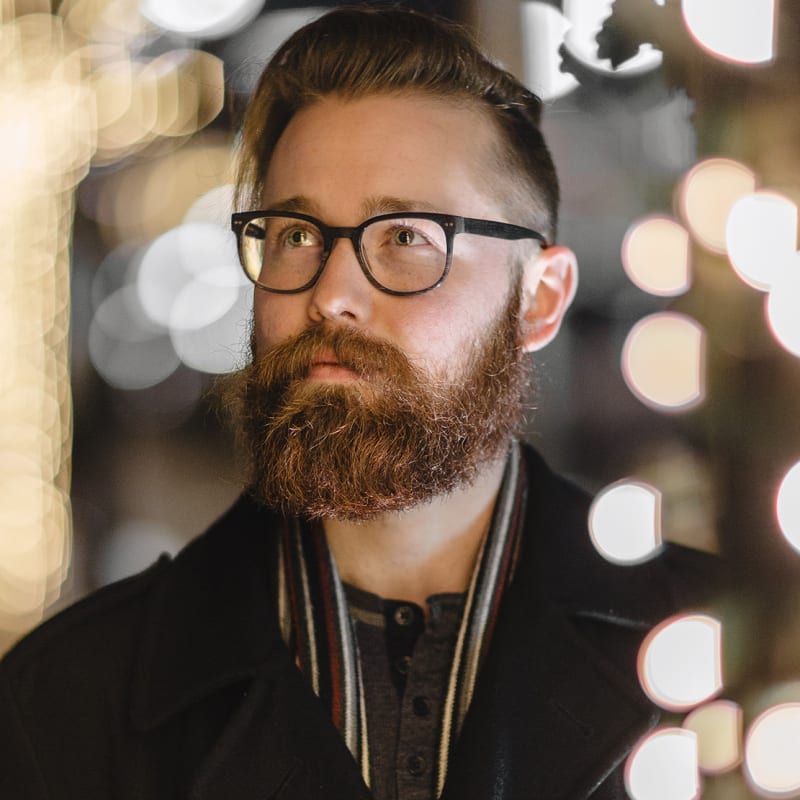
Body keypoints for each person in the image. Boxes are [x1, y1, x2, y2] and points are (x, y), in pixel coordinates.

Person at [0, 7, 716, 799]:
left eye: (406, 236)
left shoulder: (713, 664)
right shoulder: (63, 703)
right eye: (296, 235)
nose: (330, 296)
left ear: (538, 301)